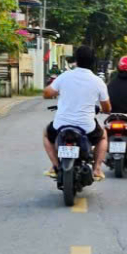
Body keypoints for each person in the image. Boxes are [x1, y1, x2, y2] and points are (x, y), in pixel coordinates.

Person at [44, 45, 111, 180]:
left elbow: (47, 93)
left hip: (61, 125)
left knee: (46, 135)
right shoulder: (98, 81)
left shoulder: (65, 76)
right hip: (86, 127)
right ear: (93, 62)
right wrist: (103, 109)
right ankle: (97, 169)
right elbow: (107, 108)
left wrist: (59, 91)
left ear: (76, 60)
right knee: (103, 136)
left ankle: (55, 166)